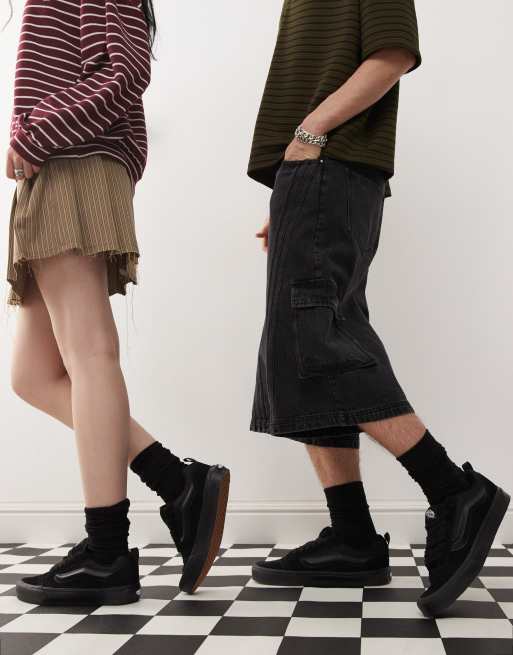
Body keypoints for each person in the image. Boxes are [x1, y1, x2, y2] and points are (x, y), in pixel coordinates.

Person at [247, 0, 509, 616]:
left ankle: (454, 492)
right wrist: (291, 188)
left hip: (327, 163)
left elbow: (392, 54)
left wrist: (309, 138)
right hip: (310, 176)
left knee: (319, 339)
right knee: (302, 348)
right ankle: (353, 536)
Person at [5, 0, 229, 605]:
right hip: (57, 167)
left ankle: (107, 549)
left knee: (90, 355)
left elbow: (126, 68)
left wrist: (36, 132)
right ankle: (177, 482)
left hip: (72, 162)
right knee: (33, 375)